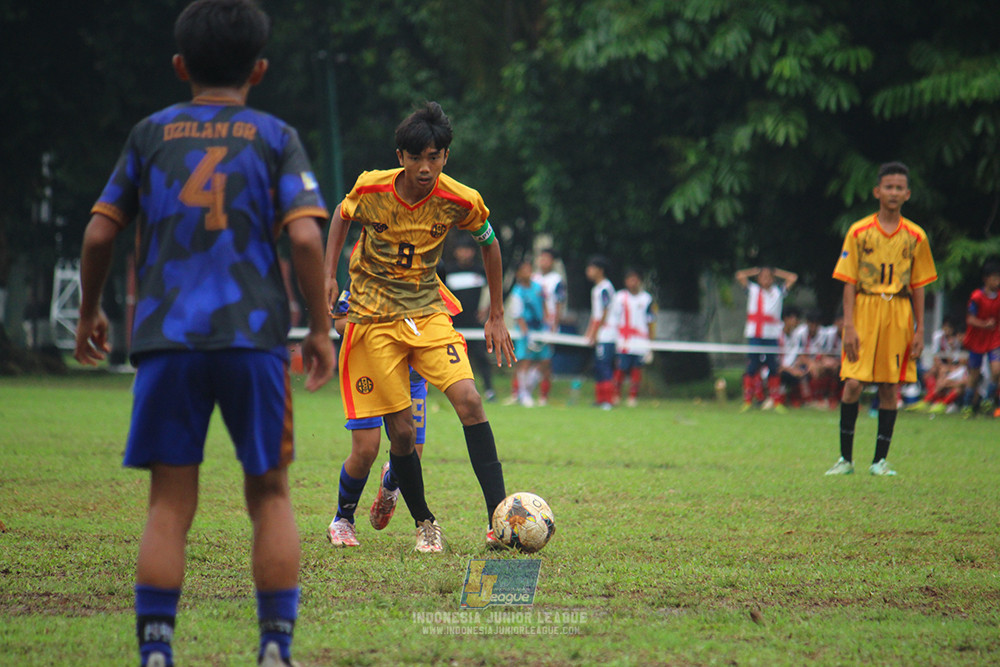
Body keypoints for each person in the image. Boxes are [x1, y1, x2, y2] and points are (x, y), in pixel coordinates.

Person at [72, 2, 334, 665]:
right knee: (269, 493)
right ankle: (275, 648)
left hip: (167, 340)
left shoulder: (151, 133)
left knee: (168, 502)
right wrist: (321, 328)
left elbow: (101, 229)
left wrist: (89, 311)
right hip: (253, 340)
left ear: (181, 66)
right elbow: (307, 233)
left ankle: (157, 651)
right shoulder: (275, 136)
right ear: (261, 69)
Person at [324, 101, 515, 554]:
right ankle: (422, 521)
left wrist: (497, 314)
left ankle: (499, 521)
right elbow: (339, 217)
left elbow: (490, 243)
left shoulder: (460, 199)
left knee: (470, 400)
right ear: (400, 157)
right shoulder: (371, 189)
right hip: (372, 319)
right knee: (400, 436)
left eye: (435, 156)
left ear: (446, 156)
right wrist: (327, 278)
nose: (425, 167)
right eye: (416, 157)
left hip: (428, 313)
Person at [826, 161, 937, 477]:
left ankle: (880, 461)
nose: (893, 192)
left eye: (899, 187)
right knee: (853, 383)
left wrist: (919, 329)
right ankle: (845, 460)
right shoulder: (859, 232)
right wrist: (848, 325)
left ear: (907, 194)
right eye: (888, 186)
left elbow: (919, 285)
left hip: (898, 313)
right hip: (864, 308)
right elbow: (848, 281)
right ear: (877, 191)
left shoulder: (916, 236)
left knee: (890, 386)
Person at [325, 284, 456, 547]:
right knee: (366, 450)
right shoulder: (369, 276)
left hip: (412, 377)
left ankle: (390, 483)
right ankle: (343, 520)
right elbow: (339, 324)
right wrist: (379, 322)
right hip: (368, 371)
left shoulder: (428, 280)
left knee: (412, 454)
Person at [735, 265, 798, 411]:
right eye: (763, 277)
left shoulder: (778, 292)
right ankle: (748, 400)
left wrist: (776, 271)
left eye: (769, 277)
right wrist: (755, 271)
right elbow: (739, 275)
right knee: (752, 366)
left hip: (771, 335)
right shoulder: (753, 290)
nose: (766, 280)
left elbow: (792, 278)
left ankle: (776, 401)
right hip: (755, 334)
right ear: (758, 279)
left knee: (773, 367)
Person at [442, 240, 496, 402]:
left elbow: (491, 290)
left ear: (473, 252)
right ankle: (451, 392)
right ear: (456, 252)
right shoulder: (448, 270)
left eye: (468, 250)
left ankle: (489, 390)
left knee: (481, 356)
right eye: (462, 249)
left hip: (474, 323)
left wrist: (486, 310)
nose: (465, 253)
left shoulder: (479, 270)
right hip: (454, 323)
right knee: (452, 359)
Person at [960, 260, 1000, 418]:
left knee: (997, 371)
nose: (997, 281)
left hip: (994, 339)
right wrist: (984, 324)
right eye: (994, 278)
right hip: (977, 339)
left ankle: (988, 400)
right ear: (986, 279)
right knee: (974, 374)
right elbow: (970, 319)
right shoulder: (977, 297)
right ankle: (968, 405)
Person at [612, 268, 656, 407]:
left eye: (635, 279)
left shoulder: (646, 299)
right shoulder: (620, 297)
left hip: (640, 340)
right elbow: (614, 318)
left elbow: (651, 321)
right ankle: (616, 395)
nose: (633, 282)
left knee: (637, 369)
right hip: (624, 339)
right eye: (630, 279)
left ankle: (632, 397)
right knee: (621, 368)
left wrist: (651, 343)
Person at [508, 259, 548, 406]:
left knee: (544, 361)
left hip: (541, 329)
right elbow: (518, 315)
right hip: (525, 331)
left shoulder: (538, 287)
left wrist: (548, 325)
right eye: (524, 269)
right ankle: (524, 394)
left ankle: (528, 390)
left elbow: (544, 306)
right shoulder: (517, 292)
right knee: (524, 361)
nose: (528, 272)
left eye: (529, 268)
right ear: (518, 273)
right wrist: (526, 334)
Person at [532, 248, 567, 405]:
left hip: (548, 325)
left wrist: (555, 324)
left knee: (545, 360)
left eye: (546, 259)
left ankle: (543, 395)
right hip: (533, 324)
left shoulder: (557, 280)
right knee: (529, 359)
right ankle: (525, 392)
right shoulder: (534, 278)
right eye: (541, 258)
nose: (543, 262)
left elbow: (559, 303)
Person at [584, 255, 617, 409]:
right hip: (599, 333)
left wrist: (596, 332)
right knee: (598, 366)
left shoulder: (605, 288)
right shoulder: (596, 288)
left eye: (592, 268)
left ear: (600, 270)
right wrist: (590, 332)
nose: (588, 271)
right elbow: (595, 314)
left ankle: (608, 400)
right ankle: (600, 398)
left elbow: (604, 312)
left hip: (606, 334)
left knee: (604, 366)